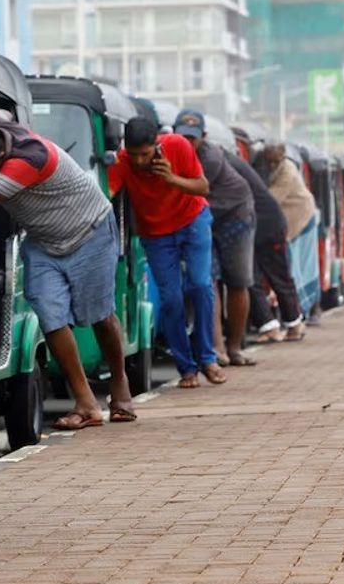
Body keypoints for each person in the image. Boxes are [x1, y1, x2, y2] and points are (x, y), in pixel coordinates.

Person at [0, 113, 136, 429]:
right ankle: (86, 403)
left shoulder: (28, 160)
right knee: (51, 317)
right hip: (44, 242)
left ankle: (119, 384)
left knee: (101, 316)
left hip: (91, 232)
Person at [110, 116, 227, 389]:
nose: (140, 161)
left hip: (192, 221)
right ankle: (187, 368)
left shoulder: (177, 145)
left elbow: (202, 187)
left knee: (199, 285)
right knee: (171, 299)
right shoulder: (123, 161)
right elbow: (108, 192)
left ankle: (208, 358)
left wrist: (171, 178)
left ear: (156, 145)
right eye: (135, 155)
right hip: (156, 234)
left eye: (146, 154)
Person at [173, 111, 257, 368]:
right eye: (182, 137)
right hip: (203, 218)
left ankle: (234, 348)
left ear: (204, 137)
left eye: (193, 138)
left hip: (235, 216)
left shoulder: (209, 158)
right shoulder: (167, 152)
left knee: (237, 281)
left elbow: (188, 192)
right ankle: (216, 348)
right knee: (207, 281)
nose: (187, 143)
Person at [227, 153, 306, 343]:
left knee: (277, 275)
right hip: (253, 225)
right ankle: (270, 325)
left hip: (267, 226)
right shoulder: (231, 161)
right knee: (251, 277)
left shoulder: (221, 163)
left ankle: (293, 323)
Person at [258, 142, 321, 317]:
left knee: (303, 266)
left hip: (302, 218)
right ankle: (302, 309)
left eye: (275, 161)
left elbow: (271, 199)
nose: (271, 165)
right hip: (290, 219)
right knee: (297, 266)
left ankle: (308, 308)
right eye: (268, 161)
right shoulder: (275, 169)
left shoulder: (288, 171)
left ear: (283, 156)